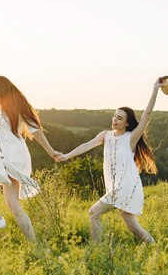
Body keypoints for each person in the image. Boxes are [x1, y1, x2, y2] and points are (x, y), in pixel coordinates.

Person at [0, 49, 60, 242]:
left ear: (3, 90)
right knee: (14, 207)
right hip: (7, 157)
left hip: (12, 157)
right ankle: (36, 246)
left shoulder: (17, 109)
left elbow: (37, 132)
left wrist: (51, 152)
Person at [56, 78, 162, 244]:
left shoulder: (131, 138)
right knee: (133, 226)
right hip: (120, 188)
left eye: (119, 118)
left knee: (93, 213)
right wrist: (67, 156)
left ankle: (98, 250)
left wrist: (155, 89)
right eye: (114, 116)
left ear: (127, 124)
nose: (114, 119)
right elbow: (86, 145)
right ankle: (155, 247)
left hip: (124, 187)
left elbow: (147, 115)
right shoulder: (106, 135)